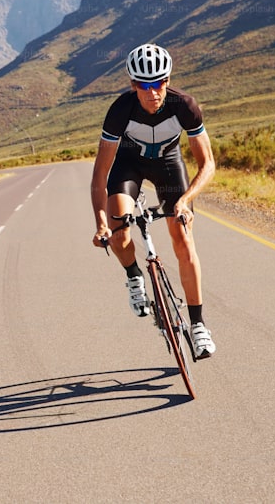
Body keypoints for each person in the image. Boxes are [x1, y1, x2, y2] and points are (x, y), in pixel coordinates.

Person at [90, 43, 217, 358]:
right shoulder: (120, 111)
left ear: (168, 79)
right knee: (120, 233)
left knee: (183, 240)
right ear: (133, 85)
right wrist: (102, 224)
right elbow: (99, 176)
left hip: (168, 165)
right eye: (144, 85)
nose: (153, 91)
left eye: (159, 82)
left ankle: (198, 326)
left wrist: (186, 200)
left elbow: (208, 164)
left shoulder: (184, 105)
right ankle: (134, 276)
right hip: (128, 166)